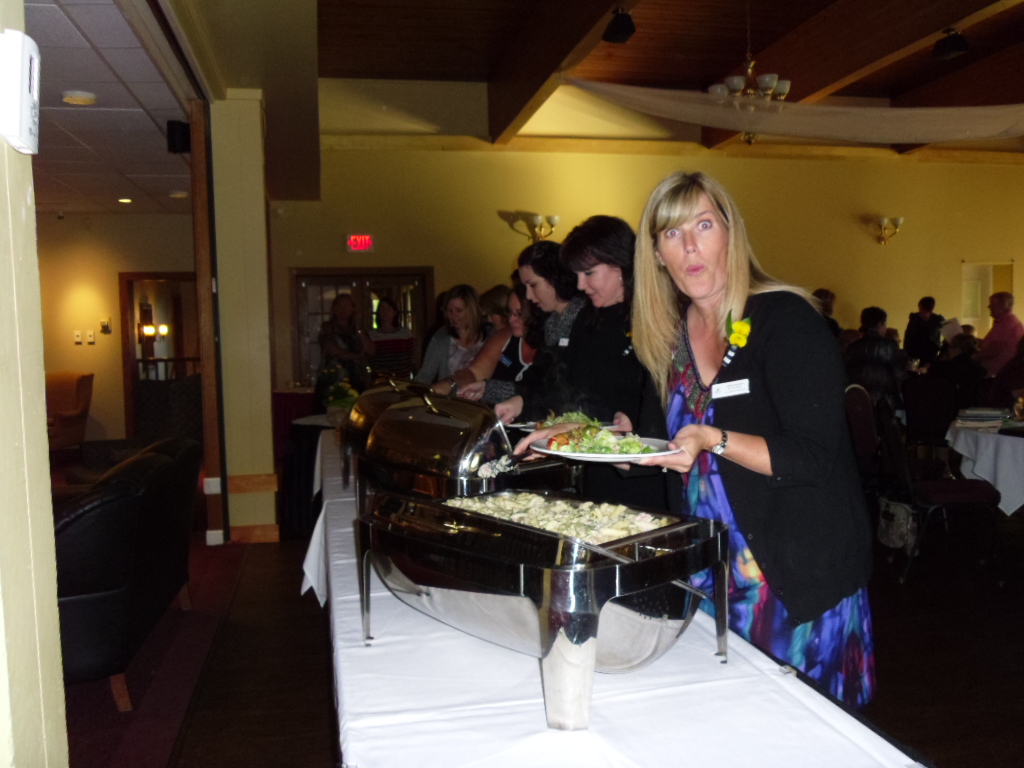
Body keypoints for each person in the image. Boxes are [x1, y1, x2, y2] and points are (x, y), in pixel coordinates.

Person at [627, 171, 874, 707]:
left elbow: (813, 457)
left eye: (704, 225)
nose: (690, 246)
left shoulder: (786, 319)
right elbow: (655, 444)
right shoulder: (667, 339)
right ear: (658, 255)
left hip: (793, 577)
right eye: (673, 233)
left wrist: (713, 438)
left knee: (808, 728)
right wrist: (595, 438)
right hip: (707, 576)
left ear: (730, 233)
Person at [494, 241, 587, 422]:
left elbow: (567, 389)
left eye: (533, 285)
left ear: (554, 278)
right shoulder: (552, 322)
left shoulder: (585, 319)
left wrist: (523, 401)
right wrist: (488, 389)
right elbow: (538, 378)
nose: (528, 296)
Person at [458, 286, 541, 405]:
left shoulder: (552, 346)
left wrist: (488, 389)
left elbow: (537, 394)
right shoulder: (502, 336)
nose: (511, 319)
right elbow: (474, 373)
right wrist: (451, 383)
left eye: (519, 314)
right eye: (509, 312)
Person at [414, 284, 490, 387]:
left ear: (473, 310)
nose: (453, 316)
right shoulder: (440, 338)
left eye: (459, 310)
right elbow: (425, 375)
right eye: (449, 310)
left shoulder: (490, 336)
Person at [314, 294, 375, 408]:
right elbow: (334, 350)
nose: (343, 309)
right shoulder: (328, 327)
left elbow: (371, 350)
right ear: (334, 309)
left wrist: (359, 330)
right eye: (339, 306)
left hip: (357, 378)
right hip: (334, 377)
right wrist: (358, 356)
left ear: (352, 309)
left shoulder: (358, 330)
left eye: (346, 306)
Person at [845, 306, 907, 408]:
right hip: (885, 403)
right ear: (880, 324)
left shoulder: (853, 347)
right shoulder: (890, 346)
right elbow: (899, 376)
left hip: (859, 401)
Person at [929, 333, 987, 409]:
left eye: (950, 347)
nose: (948, 351)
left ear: (957, 349)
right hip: (967, 409)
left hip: (942, 407)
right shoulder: (980, 370)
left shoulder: (940, 367)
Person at [975, 292, 1024, 377]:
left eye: (993, 304)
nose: (989, 307)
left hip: (997, 374)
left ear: (1005, 305)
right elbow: (992, 344)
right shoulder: (1003, 322)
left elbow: (994, 350)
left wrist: (973, 358)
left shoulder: (1007, 324)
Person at [368, 297, 415, 379]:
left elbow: (411, 356)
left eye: (388, 309)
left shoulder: (405, 333)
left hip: (402, 378)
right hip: (381, 379)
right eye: (382, 308)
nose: (385, 311)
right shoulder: (372, 335)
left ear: (394, 312)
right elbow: (370, 358)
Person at [903, 296, 944, 367]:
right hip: (914, 351)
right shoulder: (914, 318)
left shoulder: (938, 320)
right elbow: (908, 335)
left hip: (931, 352)